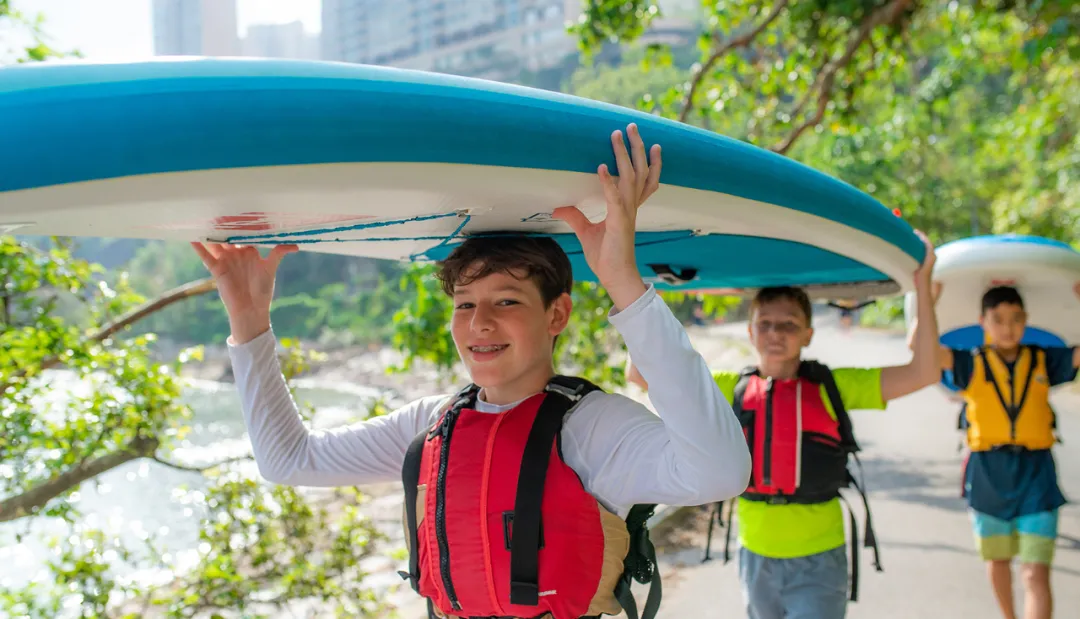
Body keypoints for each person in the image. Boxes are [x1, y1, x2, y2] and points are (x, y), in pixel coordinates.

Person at [192, 123, 752, 619]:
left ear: (557, 314)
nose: (479, 323)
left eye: (506, 301)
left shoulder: (595, 428)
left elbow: (720, 472)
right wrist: (249, 322)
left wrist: (624, 282)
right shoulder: (433, 422)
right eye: (464, 304)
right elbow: (289, 460)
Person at [628, 233, 940, 619]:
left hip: (819, 558)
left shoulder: (834, 386)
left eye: (789, 324)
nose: (776, 333)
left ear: (809, 333)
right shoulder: (727, 387)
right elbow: (640, 373)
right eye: (766, 323)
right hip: (755, 554)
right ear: (750, 331)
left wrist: (923, 285)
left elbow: (924, 371)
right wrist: (647, 288)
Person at [937, 284, 1080, 619]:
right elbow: (922, 351)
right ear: (982, 322)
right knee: (997, 561)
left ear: (1026, 320)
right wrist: (927, 301)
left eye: (1016, 319)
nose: (1008, 327)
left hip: (1036, 473)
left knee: (1034, 572)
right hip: (987, 473)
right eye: (998, 319)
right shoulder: (969, 363)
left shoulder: (1044, 359)